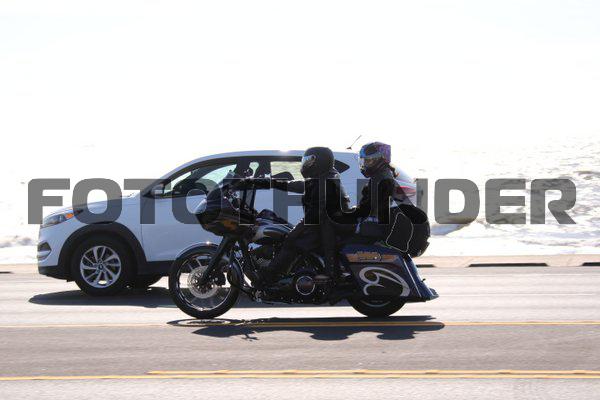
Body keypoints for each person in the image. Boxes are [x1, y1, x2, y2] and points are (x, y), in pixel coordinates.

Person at [260, 147, 351, 284]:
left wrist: (293, 234)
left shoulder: (326, 183)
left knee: (291, 242)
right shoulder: (325, 177)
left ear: (320, 162)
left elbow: (314, 215)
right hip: (324, 226)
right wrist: (272, 183)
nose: (305, 164)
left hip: (325, 229)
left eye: (309, 161)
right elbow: (301, 186)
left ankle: (269, 277)